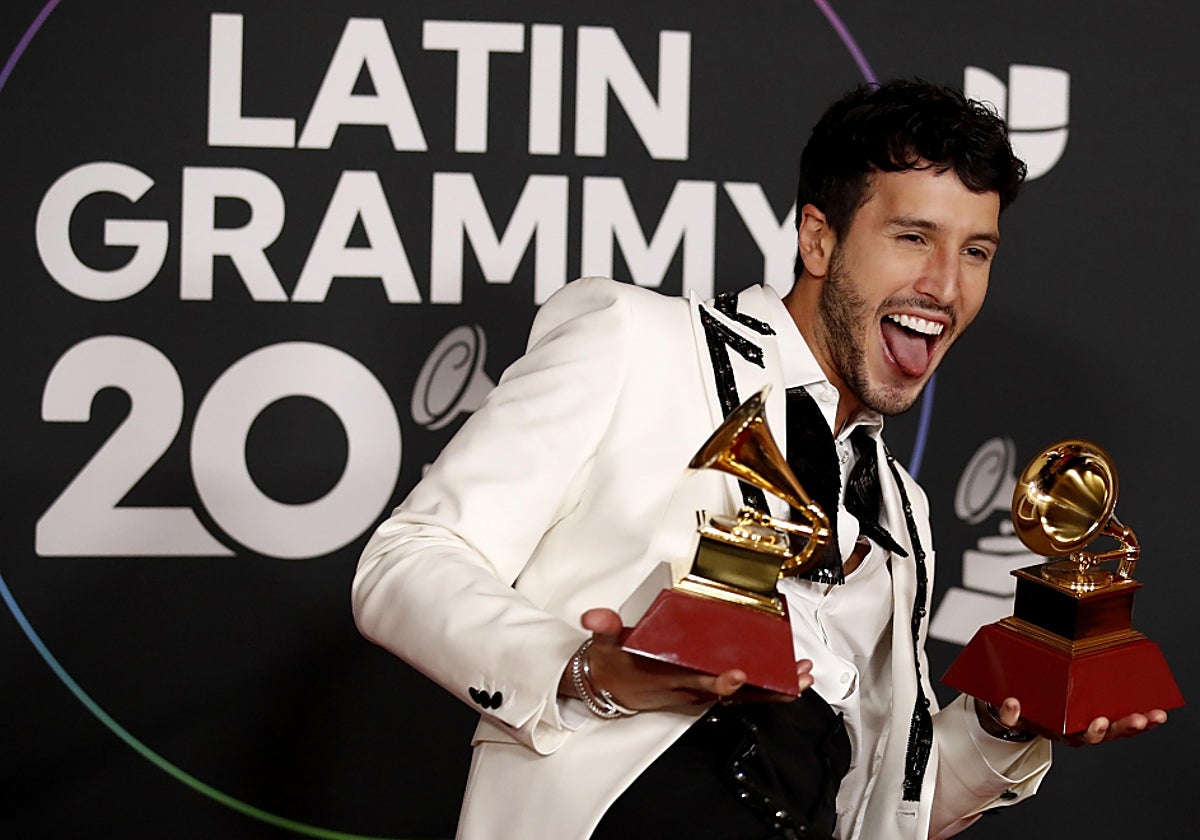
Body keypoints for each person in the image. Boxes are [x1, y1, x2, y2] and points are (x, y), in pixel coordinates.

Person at [352, 80, 1165, 839]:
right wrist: (585, 670)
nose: (945, 286)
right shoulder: (638, 343)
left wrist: (998, 725)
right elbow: (406, 562)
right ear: (819, 238)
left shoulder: (902, 509)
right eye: (913, 237)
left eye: (977, 252)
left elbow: (874, 809)